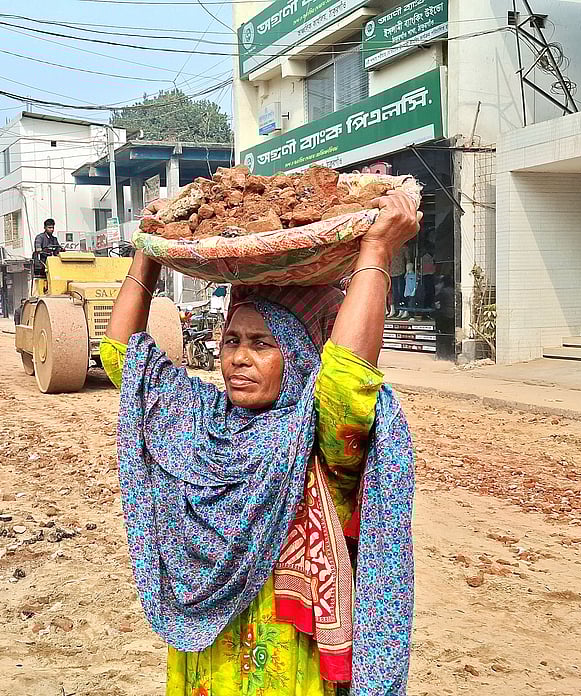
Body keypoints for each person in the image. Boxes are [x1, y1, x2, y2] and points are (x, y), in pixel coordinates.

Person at [102, 191, 420, 695]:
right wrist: (147, 253)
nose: (238, 359)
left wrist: (376, 251)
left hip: (283, 655)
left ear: (298, 357)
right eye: (232, 340)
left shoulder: (315, 432)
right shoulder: (200, 421)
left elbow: (346, 375)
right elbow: (123, 358)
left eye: (262, 343)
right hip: (205, 652)